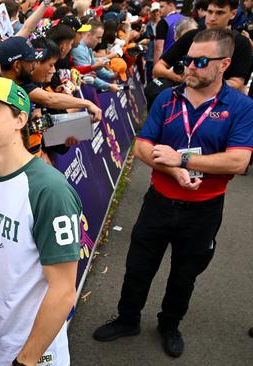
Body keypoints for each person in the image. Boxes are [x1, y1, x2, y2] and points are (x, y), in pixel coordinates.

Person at [93, 28, 253, 358]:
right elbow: (142, 147)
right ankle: (127, 319)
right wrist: (174, 170)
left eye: (200, 61)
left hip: (204, 209)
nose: (190, 67)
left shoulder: (240, 106)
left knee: (184, 275)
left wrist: (183, 158)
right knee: (139, 266)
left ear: (224, 64)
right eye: (187, 60)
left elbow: (238, 160)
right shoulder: (168, 98)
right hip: (159, 201)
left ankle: (169, 324)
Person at [0, 76, 81, 366]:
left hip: (32, 357)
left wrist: (25, 360)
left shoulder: (50, 189)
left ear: (20, 119)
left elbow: (63, 293)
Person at [153, 0, 251, 92]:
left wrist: (202, 82)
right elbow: (158, 68)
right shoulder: (191, 36)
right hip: (185, 101)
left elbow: (237, 83)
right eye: (210, 11)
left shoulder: (240, 43)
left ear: (233, 14)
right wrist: (175, 76)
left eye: (220, 13)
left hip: (220, 105)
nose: (212, 18)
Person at [71, 21, 121, 92]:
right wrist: (108, 86)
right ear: (89, 35)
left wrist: (112, 76)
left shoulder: (88, 48)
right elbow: (88, 76)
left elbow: (97, 68)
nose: (100, 41)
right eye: (98, 38)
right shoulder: (78, 49)